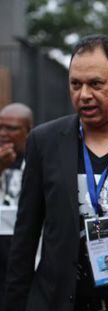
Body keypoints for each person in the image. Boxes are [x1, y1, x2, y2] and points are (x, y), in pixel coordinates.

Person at [3, 34, 108, 311]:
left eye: (95, 84)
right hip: (58, 298)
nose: (84, 95)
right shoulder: (44, 142)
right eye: (75, 84)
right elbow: (26, 236)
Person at [0, 103, 33, 308]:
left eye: (11, 128)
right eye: (0, 127)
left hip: (25, 249)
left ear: (29, 132)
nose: (3, 133)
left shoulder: (39, 159)